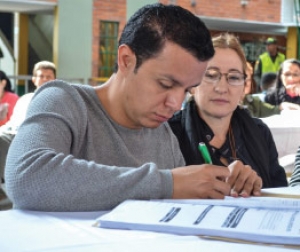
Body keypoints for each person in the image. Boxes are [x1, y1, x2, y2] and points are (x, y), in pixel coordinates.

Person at [4, 3, 228, 212]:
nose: (175, 104)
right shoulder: (63, 101)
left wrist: (221, 187)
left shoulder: (164, 137)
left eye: (188, 90)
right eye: (165, 84)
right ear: (126, 59)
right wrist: (167, 183)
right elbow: (26, 177)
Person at [169, 33, 288, 192]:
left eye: (233, 77)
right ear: (192, 84)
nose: (222, 88)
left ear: (244, 88)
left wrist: (257, 188)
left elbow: (280, 193)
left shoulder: (260, 132)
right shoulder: (169, 133)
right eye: (211, 75)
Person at [0, 61, 56, 207]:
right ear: (34, 79)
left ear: (54, 79)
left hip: (28, 136)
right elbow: (11, 122)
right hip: (10, 131)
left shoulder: (57, 99)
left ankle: (5, 193)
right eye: (41, 76)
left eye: (48, 76)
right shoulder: (24, 99)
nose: (44, 79)